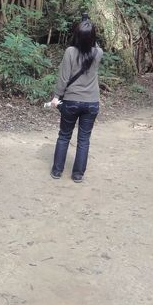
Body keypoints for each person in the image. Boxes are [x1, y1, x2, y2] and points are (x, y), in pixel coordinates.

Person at [49, 15, 103, 183]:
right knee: (84, 140)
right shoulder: (98, 52)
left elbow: (64, 78)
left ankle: (57, 171)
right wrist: (89, 27)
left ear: (76, 36)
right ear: (93, 38)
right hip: (92, 103)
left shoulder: (70, 52)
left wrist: (56, 97)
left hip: (71, 101)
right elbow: (94, 45)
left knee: (64, 136)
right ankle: (78, 174)